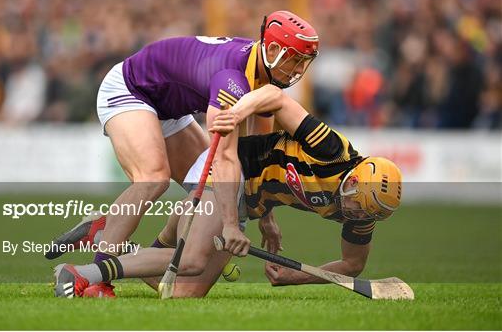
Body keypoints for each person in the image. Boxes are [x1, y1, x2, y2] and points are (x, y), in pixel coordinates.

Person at [48, 10, 320, 297]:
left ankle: (108, 235)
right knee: (153, 178)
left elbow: (256, 162)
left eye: (304, 62)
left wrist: (267, 219)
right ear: (274, 50)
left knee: (222, 190)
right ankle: (96, 280)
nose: (298, 70)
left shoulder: (264, 82)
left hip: (171, 109)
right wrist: (229, 226)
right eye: (294, 59)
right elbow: (224, 157)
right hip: (132, 89)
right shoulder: (232, 80)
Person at [53, 92, 403, 298]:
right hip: (224, 173)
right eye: (357, 205)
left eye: (365, 213)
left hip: (245, 205)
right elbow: (275, 97)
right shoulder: (332, 150)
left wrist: (293, 276)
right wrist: (235, 114)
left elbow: (353, 264)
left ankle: (108, 236)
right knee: (191, 261)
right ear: (355, 180)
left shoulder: (364, 208)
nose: (356, 214)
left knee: (179, 292)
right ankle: (84, 274)